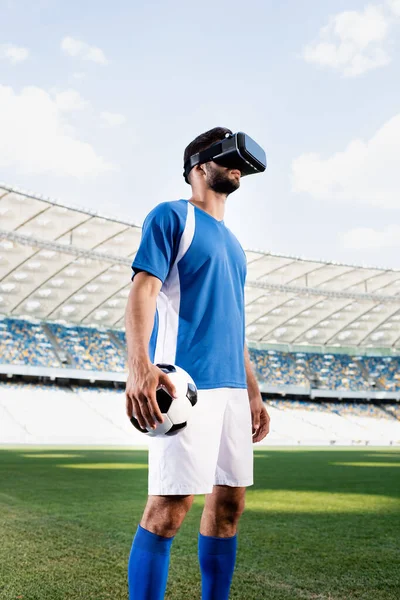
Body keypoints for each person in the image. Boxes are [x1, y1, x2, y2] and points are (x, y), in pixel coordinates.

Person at [125, 126, 270, 600]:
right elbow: (143, 289)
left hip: (232, 390)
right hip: (186, 385)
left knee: (229, 507)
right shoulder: (172, 217)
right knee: (169, 510)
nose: (238, 167)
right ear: (198, 167)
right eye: (227, 158)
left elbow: (236, 325)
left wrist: (253, 392)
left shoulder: (236, 247)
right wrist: (140, 365)